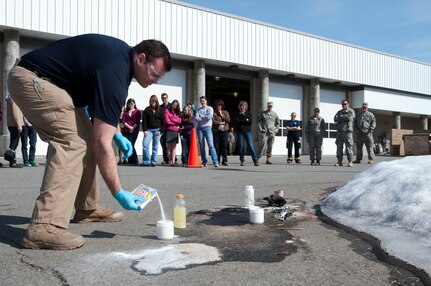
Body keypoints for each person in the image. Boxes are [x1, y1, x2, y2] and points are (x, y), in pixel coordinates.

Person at [7, 34, 172, 250]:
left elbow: (101, 114)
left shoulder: (119, 62)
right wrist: (118, 191)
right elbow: (102, 142)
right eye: (154, 74)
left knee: (87, 141)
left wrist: (116, 134)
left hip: (56, 87)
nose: (154, 81)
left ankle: (87, 208)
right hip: (32, 79)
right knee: (72, 143)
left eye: (159, 78)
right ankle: (43, 226)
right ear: (141, 58)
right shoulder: (116, 69)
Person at [196, 96, 219, 167]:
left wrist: (201, 117)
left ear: (206, 101)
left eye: (203, 101)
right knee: (202, 146)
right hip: (200, 128)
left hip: (208, 128)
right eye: (201, 101)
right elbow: (196, 118)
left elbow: (210, 116)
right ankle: (204, 161)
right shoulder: (198, 110)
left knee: (211, 145)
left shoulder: (210, 108)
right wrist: (204, 118)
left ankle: (215, 161)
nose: (202, 102)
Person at [141, 94, 164, 167]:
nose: (153, 103)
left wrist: (160, 131)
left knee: (155, 146)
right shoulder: (147, 109)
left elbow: (164, 122)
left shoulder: (160, 110)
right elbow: (144, 121)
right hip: (149, 130)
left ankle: (153, 162)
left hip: (157, 130)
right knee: (145, 144)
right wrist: (144, 130)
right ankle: (146, 161)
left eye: (154, 101)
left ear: (156, 102)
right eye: (151, 101)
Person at [235, 101, 259, 166]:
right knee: (241, 146)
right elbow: (237, 122)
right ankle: (242, 160)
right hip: (240, 131)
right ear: (239, 107)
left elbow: (250, 122)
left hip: (247, 131)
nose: (242, 107)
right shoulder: (237, 114)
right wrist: (245, 120)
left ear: (246, 107)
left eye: (244, 106)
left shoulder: (249, 113)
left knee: (250, 146)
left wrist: (244, 118)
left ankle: (255, 160)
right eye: (241, 106)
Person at [3, 95, 24, 168]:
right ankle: (11, 161)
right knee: (14, 144)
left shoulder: (11, 100)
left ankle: (13, 161)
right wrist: (19, 125)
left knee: (14, 143)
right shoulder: (14, 101)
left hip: (11, 124)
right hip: (15, 125)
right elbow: (16, 114)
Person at [334, 99, 355, 167]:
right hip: (340, 132)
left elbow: (350, 118)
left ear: (348, 104)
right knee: (339, 147)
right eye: (343, 104)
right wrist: (343, 118)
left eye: (345, 104)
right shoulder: (339, 112)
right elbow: (335, 119)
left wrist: (341, 118)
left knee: (349, 147)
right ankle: (339, 161)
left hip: (347, 132)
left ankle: (350, 161)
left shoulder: (351, 111)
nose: (344, 105)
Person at [121, 98, 141, 165]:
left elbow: (137, 121)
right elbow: (123, 121)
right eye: (129, 104)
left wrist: (132, 128)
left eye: (132, 103)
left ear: (134, 104)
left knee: (131, 144)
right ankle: (130, 160)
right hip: (126, 130)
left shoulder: (137, 111)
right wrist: (129, 127)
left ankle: (135, 160)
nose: (131, 105)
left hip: (134, 130)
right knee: (127, 145)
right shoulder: (126, 112)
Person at [212, 99, 231, 166]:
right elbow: (213, 122)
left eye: (220, 106)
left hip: (224, 131)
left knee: (224, 146)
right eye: (217, 106)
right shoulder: (214, 113)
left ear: (222, 106)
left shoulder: (225, 112)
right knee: (217, 147)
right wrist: (220, 123)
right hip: (217, 131)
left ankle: (224, 160)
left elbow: (228, 120)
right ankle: (217, 160)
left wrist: (222, 115)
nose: (218, 107)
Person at [164, 99, 181, 166]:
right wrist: (175, 121)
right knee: (169, 147)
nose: (174, 106)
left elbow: (179, 121)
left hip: (175, 131)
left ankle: (173, 161)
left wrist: (172, 119)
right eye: (174, 105)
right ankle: (169, 160)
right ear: (171, 104)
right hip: (169, 130)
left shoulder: (178, 113)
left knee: (174, 147)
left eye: (176, 105)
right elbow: (167, 121)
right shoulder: (167, 111)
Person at [159, 93, 171, 164]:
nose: (164, 99)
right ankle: (165, 159)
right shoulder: (160, 107)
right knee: (163, 143)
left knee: (170, 144)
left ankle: (172, 158)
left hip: (169, 128)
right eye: (163, 98)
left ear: (167, 97)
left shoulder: (171, 106)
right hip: (162, 128)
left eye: (165, 98)